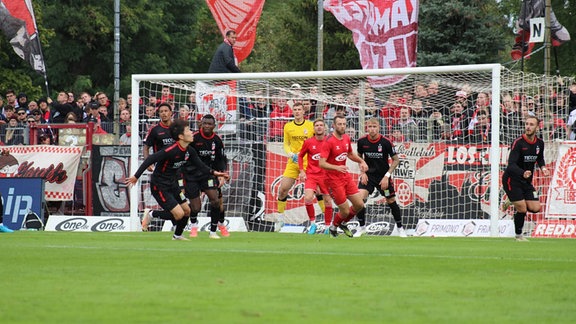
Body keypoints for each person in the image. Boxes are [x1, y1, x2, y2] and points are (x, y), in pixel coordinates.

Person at [125, 119, 228, 240]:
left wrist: (218, 173)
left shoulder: (189, 150)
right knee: (179, 214)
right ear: (181, 136)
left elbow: (202, 166)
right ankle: (152, 214)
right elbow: (150, 159)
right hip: (160, 185)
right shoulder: (170, 150)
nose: (191, 132)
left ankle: (177, 235)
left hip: (172, 184)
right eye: (188, 130)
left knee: (187, 211)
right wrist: (136, 176)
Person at [355, 118, 407, 237]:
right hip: (368, 176)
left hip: (383, 177)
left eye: (374, 126)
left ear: (379, 128)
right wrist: (362, 172)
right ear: (366, 128)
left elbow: (396, 160)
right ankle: (362, 227)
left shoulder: (386, 142)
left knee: (391, 200)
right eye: (370, 127)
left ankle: (400, 228)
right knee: (359, 200)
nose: (372, 129)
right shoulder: (362, 141)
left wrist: (387, 176)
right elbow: (359, 157)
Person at [501, 116, 550, 241]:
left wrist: (543, 168)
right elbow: (511, 165)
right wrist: (522, 172)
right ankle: (518, 236)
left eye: (531, 124)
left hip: (526, 181)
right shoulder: (518, 143)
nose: (528, 126)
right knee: (522, 209)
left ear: (537, 127)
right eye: (527, 124)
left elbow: (540, 158)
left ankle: (512, 200)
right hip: (512, 180)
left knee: (535, 208)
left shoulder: (540, 143)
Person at [319, 115, 368, 237]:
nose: (342, 126)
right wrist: (337, 167)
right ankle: (334, 227)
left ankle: (341, 223)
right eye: (339, 124)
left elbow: (350, 154)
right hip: (332, 179)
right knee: (345, 210)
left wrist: (361, 161)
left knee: (359, 205)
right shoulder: (328, 141)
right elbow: (321, 163)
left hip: (345, 176)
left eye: (344, 124)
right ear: (333, 126)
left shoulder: (346, 138)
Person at [184, 114, 229, 239]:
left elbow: (221, 159)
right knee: (196, 207)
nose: (207, 126)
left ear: (214, 126)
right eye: (205, 124)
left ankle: (213, 231)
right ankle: (193, 226)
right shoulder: (193, 138)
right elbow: (185, 157)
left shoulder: (217, 140)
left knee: (215, 200)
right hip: (192, 175)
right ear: (201, 124)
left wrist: (222, 173)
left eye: (210, 124)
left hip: (208, 175)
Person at [276, 102, 314, 229]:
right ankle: (280, 219)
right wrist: (290, 153)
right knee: (282, 190)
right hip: (293, 162)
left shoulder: (310, 125)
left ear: (304, 111)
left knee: (319, 191)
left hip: (308, 162)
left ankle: (324, 222)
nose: (297, 112)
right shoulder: (288, 126)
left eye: (299, 109)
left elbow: (316, 142)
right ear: (293, 111)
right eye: (295, 109)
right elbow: (286, 144)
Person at [140, 102, 175, 230]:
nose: (164, 113)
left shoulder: (177, 129)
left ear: (171, 113)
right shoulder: (155, 130)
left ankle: (152, 214)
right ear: (158, 114)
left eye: (166, 111)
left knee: (180, 208)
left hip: (177, 170)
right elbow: (146, 146)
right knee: (176, 209)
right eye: (161, 111)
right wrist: (148, 161)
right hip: (162, 172)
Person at [298, 118, 334, 235]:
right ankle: (313, 224)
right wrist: (302, 171)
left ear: (325, 128)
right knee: (308, 198)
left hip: (325, 175)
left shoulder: (330, 141)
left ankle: (328, 226)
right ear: (313, 128)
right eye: (317, 125)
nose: (319, 127)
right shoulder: (308, 142)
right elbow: (300, 156)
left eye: (321, 125)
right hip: (312, 175)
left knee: (328, 201)